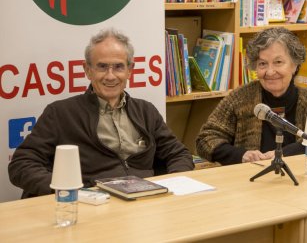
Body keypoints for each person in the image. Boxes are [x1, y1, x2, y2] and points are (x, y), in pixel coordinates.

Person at [8, 28, 194, 198]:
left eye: (118, 67)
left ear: (130, 71)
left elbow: (179, 155)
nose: (110, 76)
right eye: (102, 67)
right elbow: (22, 164)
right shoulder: (60, 113)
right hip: (90, 205)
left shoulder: (146, 111)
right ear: (88, 70)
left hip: (145, 205)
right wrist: (66, 190)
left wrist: (172, 186)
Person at [196, 27, 307, 165]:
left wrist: (284, 154)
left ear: (294, 65)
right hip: (248, 182)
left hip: (298, 181)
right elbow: (205, 139)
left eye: (278, 62)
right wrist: (242, 155)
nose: (270, 72)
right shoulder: (240, 98)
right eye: (262, 64)